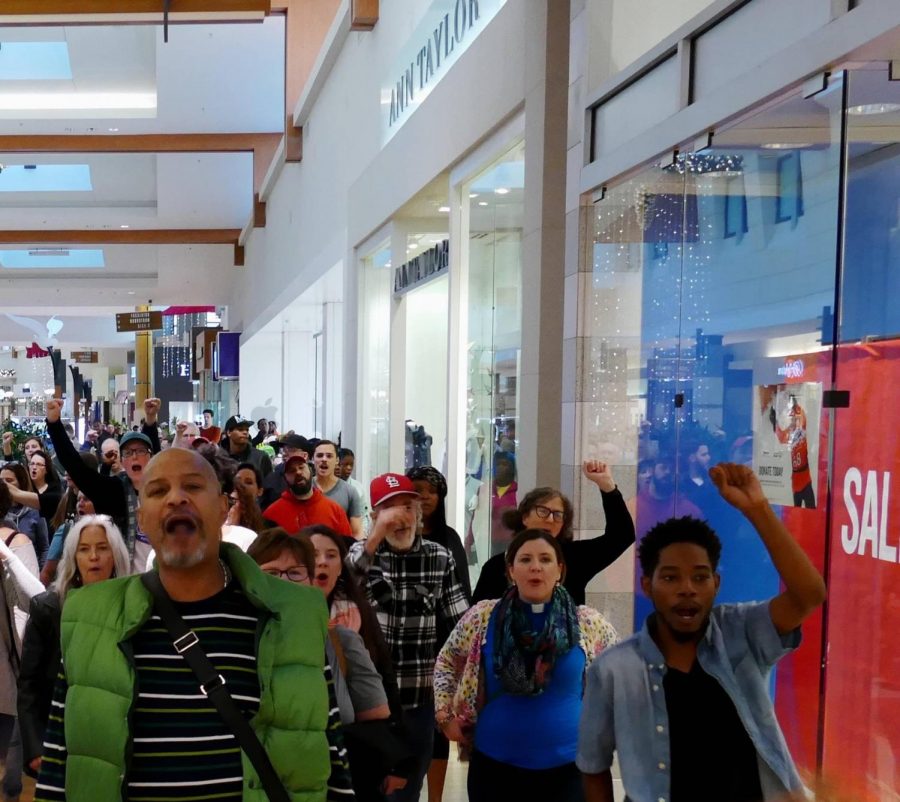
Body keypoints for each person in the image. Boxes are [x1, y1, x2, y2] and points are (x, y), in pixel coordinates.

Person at [34, 446, 353, 801]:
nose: (175, 499)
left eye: (193, 486)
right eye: (157, 491)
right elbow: (59, 766)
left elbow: (331, 759)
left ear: (222, 508)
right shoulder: (92, 621)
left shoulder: (292, 616)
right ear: (142, 518)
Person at [577, 462, 828, 802]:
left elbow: (809, 595)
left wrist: (757, 509)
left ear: (716, 584)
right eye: (670, 577)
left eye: (699, 577)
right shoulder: (613, 670)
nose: (687, 589)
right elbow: (593, 766)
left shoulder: (741, 634)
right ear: (647, 586)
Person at [434, 529, 617, 802]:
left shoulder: (588, 623)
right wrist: (444, 715)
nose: (535, 567)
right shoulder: (483, 617)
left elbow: (621, 675)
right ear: (511, 570)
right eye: (525, 559)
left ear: (559, 570)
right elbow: (447, 661)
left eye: (545, 559)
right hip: (495, 769)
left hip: (570, 770)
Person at [349, 473, 470, 802]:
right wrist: (374, 539)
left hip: (418, 701)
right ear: (374, 516)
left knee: (407, 793)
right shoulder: (360, 554)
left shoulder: (438, 557)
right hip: (368, 703)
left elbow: (463, 627)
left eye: (406, 507)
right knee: (366, 791)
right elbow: (340, 592)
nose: (399, 518)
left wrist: (460, 695)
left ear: (419, 513)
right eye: (388, 510)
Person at [17, 515, 130, 776]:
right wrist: (34, 747)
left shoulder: (133, 605)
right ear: (73, 556)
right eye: (84, 549)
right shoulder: (48, 608)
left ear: (115, 555)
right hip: (61, 731)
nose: (94, 557)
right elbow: (29, 684)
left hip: (115, 733)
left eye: (102, 548)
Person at [473, 460, 635, 606]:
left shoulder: (574, 558)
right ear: (524, 517)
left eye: (558, 514)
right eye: (543, 511)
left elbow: (622, 536)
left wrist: (607, 486)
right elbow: (476, 625)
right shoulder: (495, 567)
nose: (550, 519)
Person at [405, 466, 470, 802]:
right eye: (417, 490)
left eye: (431, 491)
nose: (425, 497)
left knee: (437, 724)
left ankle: (435, 798)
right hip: (404, 648)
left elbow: (461, 599)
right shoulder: (397, 538)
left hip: (440, 647)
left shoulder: (449, 540)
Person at [45, 398, 162, 573]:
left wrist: (151, 419)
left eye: (141, 451)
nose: (135, 457)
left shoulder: (165, 491)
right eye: (128, 453)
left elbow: (157, 458)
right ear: (122, 461)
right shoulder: (114, 491)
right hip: (125, 581)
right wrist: (54, 424)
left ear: (150, 457)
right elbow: (75, 466)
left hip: (165, 579)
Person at [0, 481, 45, 802]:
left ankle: (11, 789)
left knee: (14, 732)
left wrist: (6, 557)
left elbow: (37, 602)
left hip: (11, 657)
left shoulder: (16, 543)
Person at [263, 454, 353, 538]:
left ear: (310, 470)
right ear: (285, 478)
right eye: (292, 471)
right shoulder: (272, 514)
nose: (298, 472)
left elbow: (347, 549)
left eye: (301, 467)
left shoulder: (335, 511)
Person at [466, 451, 518, 558]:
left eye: (505, 464)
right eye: (498, 464)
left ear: (512, 468)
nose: (500, 467)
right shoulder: (485, 489)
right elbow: (476, 518)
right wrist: (468, 542)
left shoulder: (518, 491)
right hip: (487, 544)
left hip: (511, 544)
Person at [0, 464, 49, 568]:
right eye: (1, 481)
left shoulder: (35, 511)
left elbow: (44, 548)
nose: (5, 486)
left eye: (9, 481)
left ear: (21, 483)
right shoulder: (2, 513)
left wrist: (41, 578)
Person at [313, 440, 364, 537]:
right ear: (312, 459)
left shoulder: (350, 492)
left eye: (329, 456)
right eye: (319, 455)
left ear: (337, 460)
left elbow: (357, 532)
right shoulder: (303, 489)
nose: (324, 459)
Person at [260, 433, 311, 508]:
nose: (284, 454)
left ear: (305, 455)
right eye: (283, 450)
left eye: (290, 450)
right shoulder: (272, 479)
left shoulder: (317, 477)